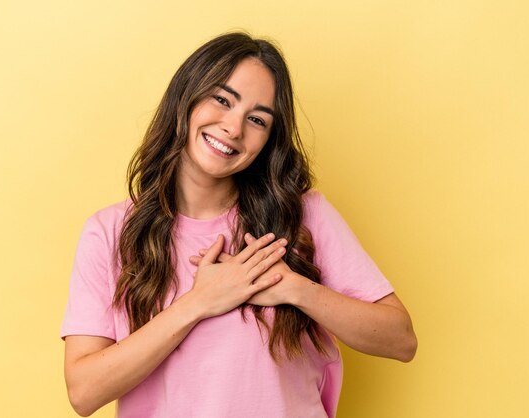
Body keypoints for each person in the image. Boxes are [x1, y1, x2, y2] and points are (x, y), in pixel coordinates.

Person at [61, 32, 417, 418]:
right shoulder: (110, 232)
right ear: (186, 98)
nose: (233, 128)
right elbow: (84, 392)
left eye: (257, 119)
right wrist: (198, 303)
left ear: (268, 139)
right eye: (222, 99)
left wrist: (293, 288)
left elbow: (401, 341)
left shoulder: (302, 216)